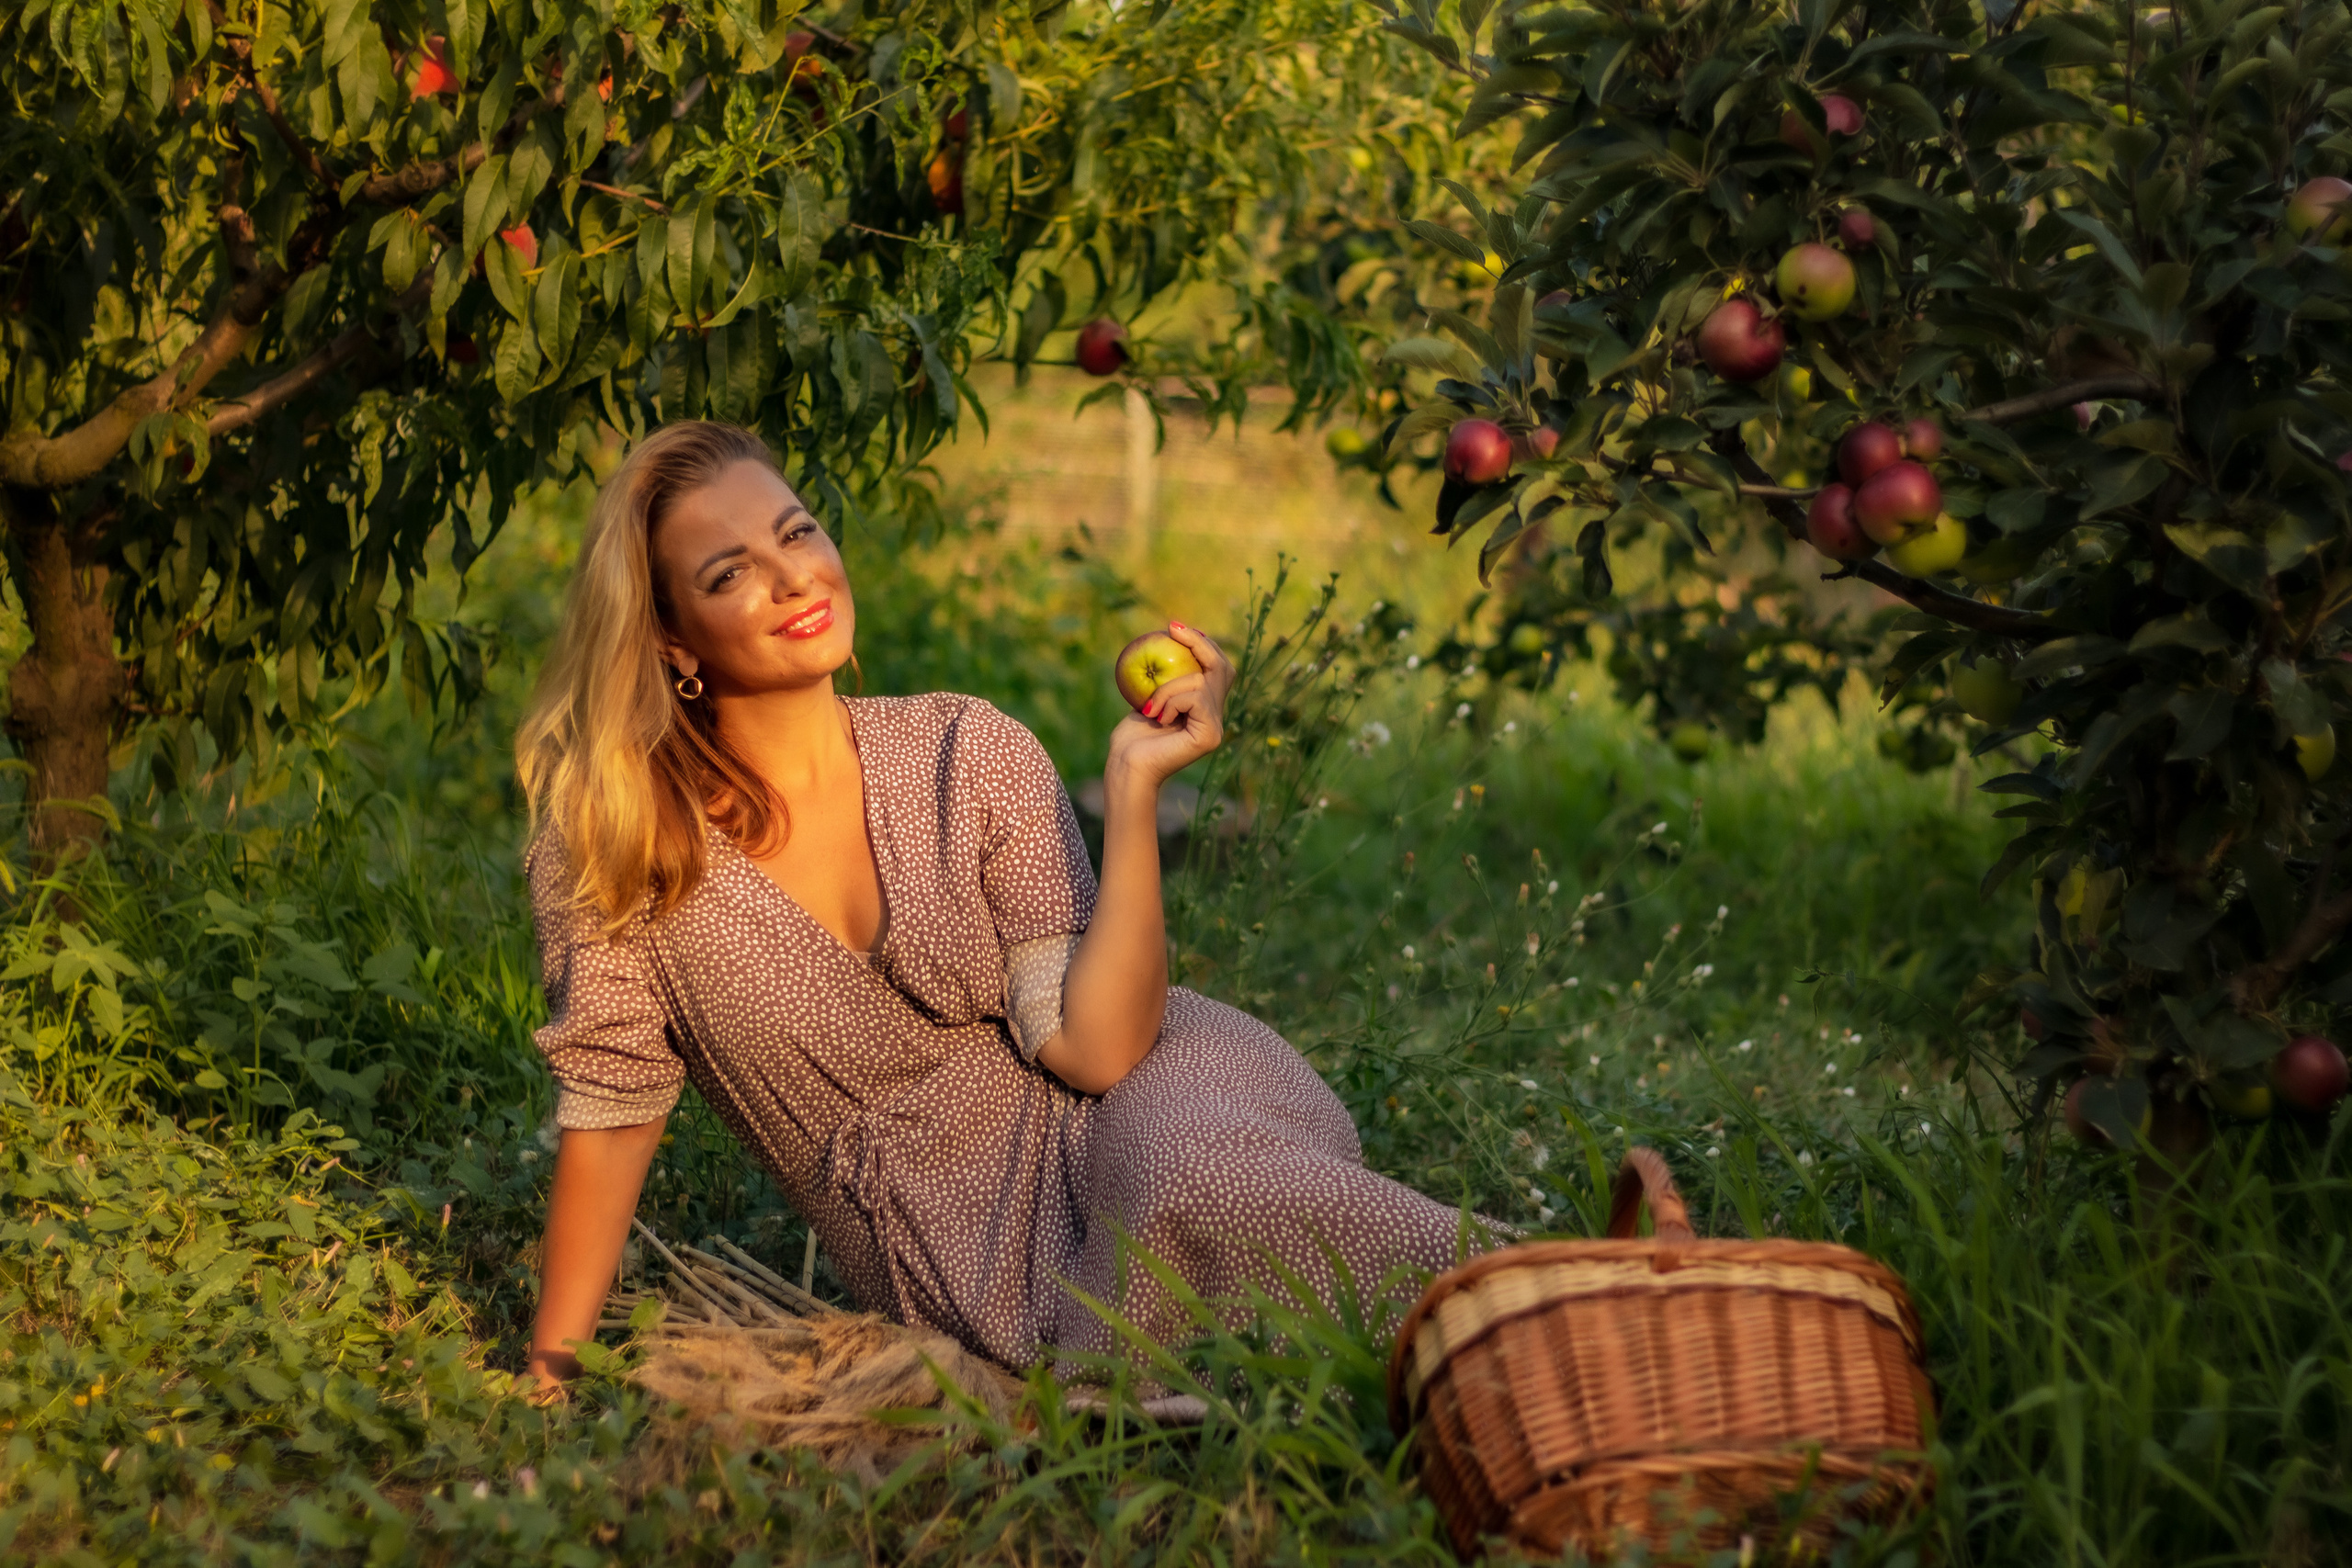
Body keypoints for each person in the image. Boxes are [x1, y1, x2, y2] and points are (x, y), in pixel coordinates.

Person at [514, 420, 1503, 1391]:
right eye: (728, 574)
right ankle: (1516, 1328)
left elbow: (1098, 1053)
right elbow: (612, 1113)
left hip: (1144, 1101)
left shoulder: (965, 750)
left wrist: (1133, 786)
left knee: (1193, 1183)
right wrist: (549, 1376)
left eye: (797, 532)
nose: (791, 579)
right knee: (1188, 1286)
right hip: (960, 1250)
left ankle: (1548, 1300)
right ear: (669, 639)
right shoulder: (619, 849)